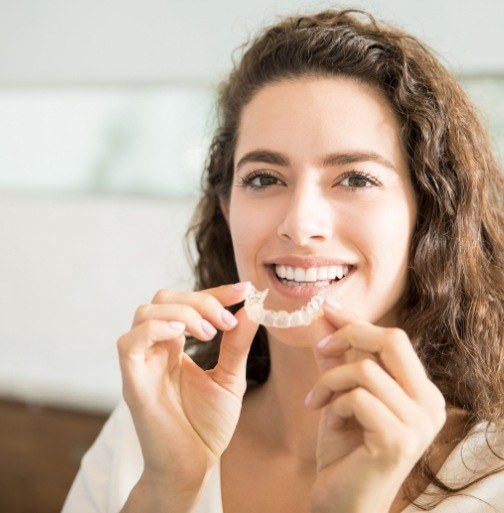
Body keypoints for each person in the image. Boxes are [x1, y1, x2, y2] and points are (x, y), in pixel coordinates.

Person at [62, 8, 504, 513]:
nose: (299, 222)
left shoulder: (492, 478)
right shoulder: (144, 435)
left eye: (356, 178)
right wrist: (167, 489)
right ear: (228, 210)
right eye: (265, 178)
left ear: (428, 213)